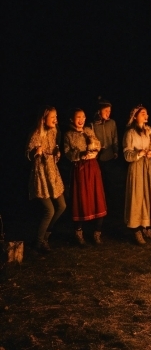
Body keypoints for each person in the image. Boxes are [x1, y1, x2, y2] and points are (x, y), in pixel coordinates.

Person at [63, 109, 107, 245]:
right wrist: (79, 155)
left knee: (97, 198)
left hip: (93, 167)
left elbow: (98, 144)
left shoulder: (89, 130)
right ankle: (79, 233)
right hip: (80, 170)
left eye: (83, 116)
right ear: (72, 119)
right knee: (81, 200)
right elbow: (67, 153)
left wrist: (94, 151)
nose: (81, 119)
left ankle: (97, 233)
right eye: (78, 117)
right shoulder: (68, 135)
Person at [26, 107, 66, 253]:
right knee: (49, 210)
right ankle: (39, 242)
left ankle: (46, 235)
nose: (56, 120)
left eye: (56, 116)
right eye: (52, 117)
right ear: (43, 120)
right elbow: (28, 153)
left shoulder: (54, 131)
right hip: (41, 175)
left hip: (52, 174)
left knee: (61, 206)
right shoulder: (37, 133)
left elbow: (53, 150)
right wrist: (35, 152)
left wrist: (57, 153)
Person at [123, 105, 151, 245]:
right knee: (137, 197)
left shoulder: (150, 131)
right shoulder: (130, 133)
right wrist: (138, 154)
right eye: (143, 113)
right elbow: (127, 154)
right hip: (136, 167)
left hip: (147, 167)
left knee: (147, 196)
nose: (146, 116)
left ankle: (146, 226)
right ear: (135, 116)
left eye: (147, 113)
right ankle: (136, 229)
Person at [93, 98, 119, 207]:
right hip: (98, 158)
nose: (108, 113)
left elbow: (115, 138)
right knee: (100, 182)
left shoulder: (112, 123)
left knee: (110, 182)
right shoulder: (93, 125)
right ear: (99, 111)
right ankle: (100, 203)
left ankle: (111, 204)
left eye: (109, 111)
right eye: (106, 111)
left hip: (109, 156)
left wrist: (115, 150)